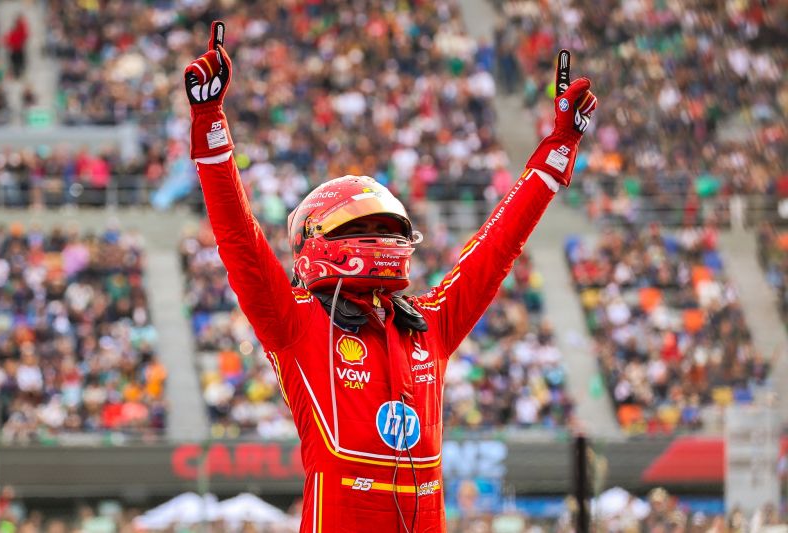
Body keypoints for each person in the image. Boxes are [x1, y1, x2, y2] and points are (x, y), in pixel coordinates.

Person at [184, 21, 596, 533]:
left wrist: (559, 147)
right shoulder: (294, 322)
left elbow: (498, 246)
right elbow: (239, 242)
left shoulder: (428, 324)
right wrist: (210, 122)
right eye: (363, 228)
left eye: (387, 227)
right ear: (317, 240)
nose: (380, 238)